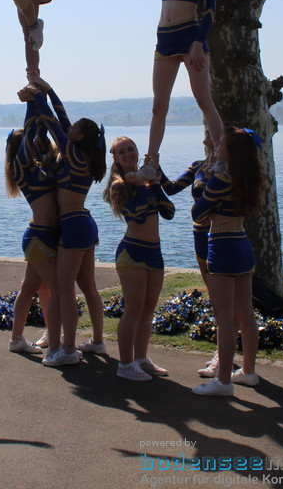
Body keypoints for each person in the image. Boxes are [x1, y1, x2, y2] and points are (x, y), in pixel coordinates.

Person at [81, 0, 223, 176]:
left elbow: (211, 10)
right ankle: (151, 161)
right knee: (159, 106)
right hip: (165, 41)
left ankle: (221, 155)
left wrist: (198, 43)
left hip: (190, 39)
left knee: (204, 100)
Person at [26, 76, 106, 367]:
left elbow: (51, 120)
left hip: (72, 226)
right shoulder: (82, 153)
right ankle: (98, 341)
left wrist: (36, 97)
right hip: (84, 222)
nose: (69, 128)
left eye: (74, 129)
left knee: (63, 290)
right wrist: (47, 89)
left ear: (79, 136)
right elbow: (61, 118)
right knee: (89, 287)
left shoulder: (72, 153)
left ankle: (68, 350)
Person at [190, 126, 268, 396]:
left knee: (224, 319)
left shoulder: (221, 179)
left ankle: (223, 381)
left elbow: (198, 213)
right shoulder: (248, 178)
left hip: (222, 246)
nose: (216, 147)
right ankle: (248, 371)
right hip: (242, 243)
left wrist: (200, 178)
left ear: (232, 152)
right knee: (245, 313)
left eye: (221, 145)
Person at [103, 136, 175, 381]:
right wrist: (141, 180)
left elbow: (169, 212)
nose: (128, 154)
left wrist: (153, 181)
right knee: (133, 310)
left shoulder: (145, 181)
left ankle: (142, 359)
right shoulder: (118, 186)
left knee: (148, 311)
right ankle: (125, 364)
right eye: (122, 152)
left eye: (131, 149)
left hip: (155, 253)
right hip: (132, 253)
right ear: (115, 158)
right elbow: (139, 214)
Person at [3, 89, 63, 355]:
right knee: (53, 289)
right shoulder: (22, 168)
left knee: (35, 288)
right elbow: (31, 133)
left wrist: (43, 101)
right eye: (34, 142)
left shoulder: (42, 166)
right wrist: (31, 103)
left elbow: (46, 133)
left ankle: (46, 335)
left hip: (49, 234)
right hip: (39, 236)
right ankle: (46, 341)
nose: (39, 142)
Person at [161, 129, 224, 377]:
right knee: (214, 294)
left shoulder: (227, 168)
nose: (208, 130)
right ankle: (222, 353)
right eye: (206, 127)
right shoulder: (198, 165)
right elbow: (172, 188)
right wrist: (156, 172)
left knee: (223, 298)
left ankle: (223, 356)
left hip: (220, 234)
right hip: (200, 234)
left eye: (214, 127)